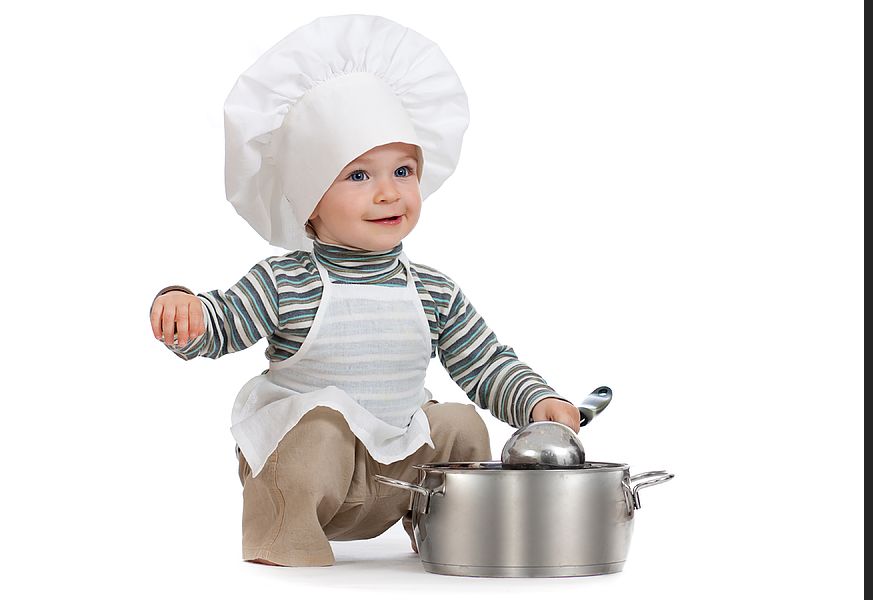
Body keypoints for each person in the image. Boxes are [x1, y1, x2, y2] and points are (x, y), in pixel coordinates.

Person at [149, 15, 579, 567]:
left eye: (403, 170)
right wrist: (184, 308)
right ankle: (284, 538)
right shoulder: (287, 283)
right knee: (324, 429)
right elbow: (221, 324)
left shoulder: (431, 290)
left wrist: (537, 402)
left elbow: (486, 362)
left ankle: (451, 534)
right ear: (308, 197)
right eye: (358, 176)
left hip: (395, 479)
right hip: (310, 474)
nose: (388, 193)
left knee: (459, 425)